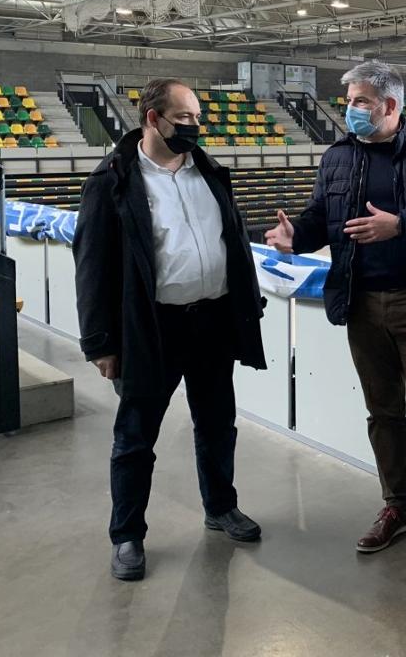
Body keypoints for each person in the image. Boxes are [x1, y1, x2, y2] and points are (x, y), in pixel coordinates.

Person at [264, 61, 406, 566]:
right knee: (382, 413)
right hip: (360, 303)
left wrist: (400, 225)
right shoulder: (338, 157)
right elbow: (322, 218)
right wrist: (297, 236)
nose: (351, 110)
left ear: (390, 105)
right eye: (350, 101)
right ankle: (396, 506)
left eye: (360, 101)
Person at [74, 78, 268, 582]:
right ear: (152, 119)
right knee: (135, 437)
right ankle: (127, 535)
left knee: (218, 424)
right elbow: (92, 266)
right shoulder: (112, 180)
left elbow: (232, 242)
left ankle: (220, 506)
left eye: (197, 118)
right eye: (184, 118)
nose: (194, 127)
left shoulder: (209, 172)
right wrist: (100, 343)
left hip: (212, 321)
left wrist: (247, 305)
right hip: (151, 328)